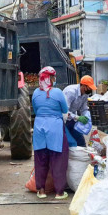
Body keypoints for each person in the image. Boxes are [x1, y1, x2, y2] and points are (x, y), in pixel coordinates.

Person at [31, 67, 69, 200]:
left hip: (39, 127)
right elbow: (65, 109)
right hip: (55, 128)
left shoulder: (35, 93)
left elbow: (36, 110)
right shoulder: (58, 92)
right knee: (58, 159)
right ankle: (59, 192)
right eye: (53, 77)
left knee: (40, 159)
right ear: (50, 78)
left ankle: (41, 191)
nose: (54, 79)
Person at [63, 76, 97, 147]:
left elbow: (83, 109)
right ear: (84, 86)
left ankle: (82, 155)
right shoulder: (71, 92)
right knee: (68, 142)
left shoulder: (85, 95)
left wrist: (88, 117)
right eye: (89, 88)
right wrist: (78, 118)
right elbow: (65, 111)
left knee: (80, 141)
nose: (90, 90)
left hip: (72, 119)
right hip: (63, 120)